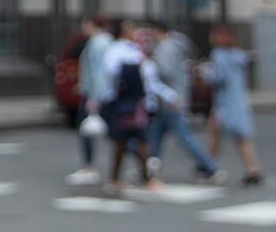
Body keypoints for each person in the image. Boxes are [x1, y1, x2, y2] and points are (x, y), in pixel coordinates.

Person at [97, 20, 174, 193]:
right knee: (127, 142)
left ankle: (131, 178)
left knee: (132, 142)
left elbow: (150, 81)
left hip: (137, 103)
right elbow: (112, 74)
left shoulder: (135, 51)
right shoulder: (117, 51)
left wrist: (169, 95)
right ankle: (136, 178)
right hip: (122, 103)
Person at [147, 20, 224, 183]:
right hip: (178, 96)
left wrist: (149, 65)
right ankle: (149, 169)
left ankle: (210, 167)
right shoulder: (178, 44)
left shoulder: (163, 48)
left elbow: (164, 72)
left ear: (156, 30)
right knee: (155, 136)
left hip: (169, 100)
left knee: (183, 137)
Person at [204, 23, 264, 185]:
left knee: (218, 134)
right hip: (238, 100)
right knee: (239, 136)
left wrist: (206, 73)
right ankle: (252, 168)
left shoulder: (218, 55)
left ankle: (210, 166)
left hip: (224, 102)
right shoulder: (238, 54)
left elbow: (218, 78)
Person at [65, 13, 113, 185]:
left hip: (95, 95)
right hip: (100, 93)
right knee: (114, 131)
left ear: (92, 24)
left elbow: (98, 72)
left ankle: (89, 167)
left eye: (85, 24)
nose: (83, 28)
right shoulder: (107, 41)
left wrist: (94, 97)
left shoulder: (96, 43)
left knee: (86, 129)